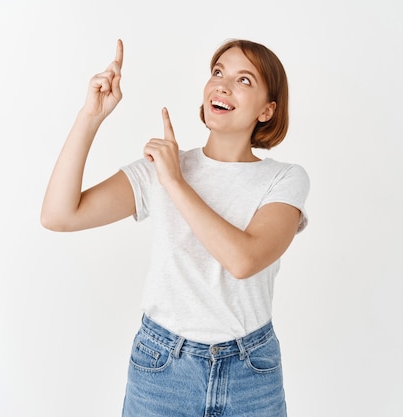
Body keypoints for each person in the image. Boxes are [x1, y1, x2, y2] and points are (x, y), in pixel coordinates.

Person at [41, 38, 310, 417]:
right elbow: (59, 215)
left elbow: (244, 260)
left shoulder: (284, 179)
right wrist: (91, 115)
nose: (223, 84)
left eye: (244, 80)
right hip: (162, 368)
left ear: (267, 110)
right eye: (218, 72)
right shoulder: (162, 168)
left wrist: (176, 183)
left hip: (251, 372)